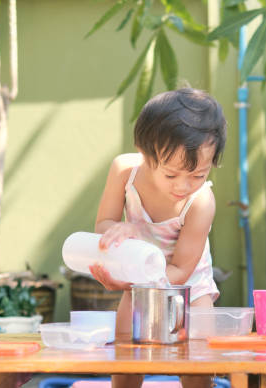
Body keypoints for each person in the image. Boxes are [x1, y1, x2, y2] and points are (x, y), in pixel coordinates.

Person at [89, 87, 227, 388]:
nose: (183, 186)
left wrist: (134, 269)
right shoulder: (124, 171)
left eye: (198, 175)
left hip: (191, 289)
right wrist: (119, 236)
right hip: (138, 285)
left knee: (198, 370)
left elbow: (179, 271)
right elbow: (103, 224)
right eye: (171, 174)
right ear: (145, 153)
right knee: (126, 364)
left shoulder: (201, 202)